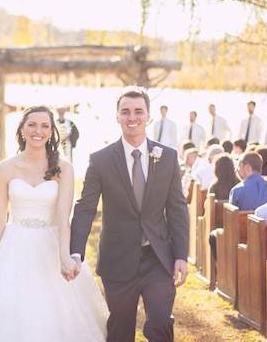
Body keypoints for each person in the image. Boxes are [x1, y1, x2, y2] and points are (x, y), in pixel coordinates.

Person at [0, 106, 107, 342]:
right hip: (14, 246)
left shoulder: (64, 168)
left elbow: (63, 217)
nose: (39, 131)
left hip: (51, 243)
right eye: (32, 125)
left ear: (52, 131)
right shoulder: (5, 168)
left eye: (45, 125)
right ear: (22, 130)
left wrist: (64, 257)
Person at [70, 87, 189, 342]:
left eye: (138, 111)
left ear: (148, 116)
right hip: (118, 259)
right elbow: (85, 207)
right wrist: (75, 252)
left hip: (158, 257)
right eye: (125, 111)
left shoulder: (167, 157)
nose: (131, 117)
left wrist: (180, 254)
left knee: (159, 323)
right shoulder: (100, 160)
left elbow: (177, 208)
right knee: (120, 330)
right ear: (117, 116)